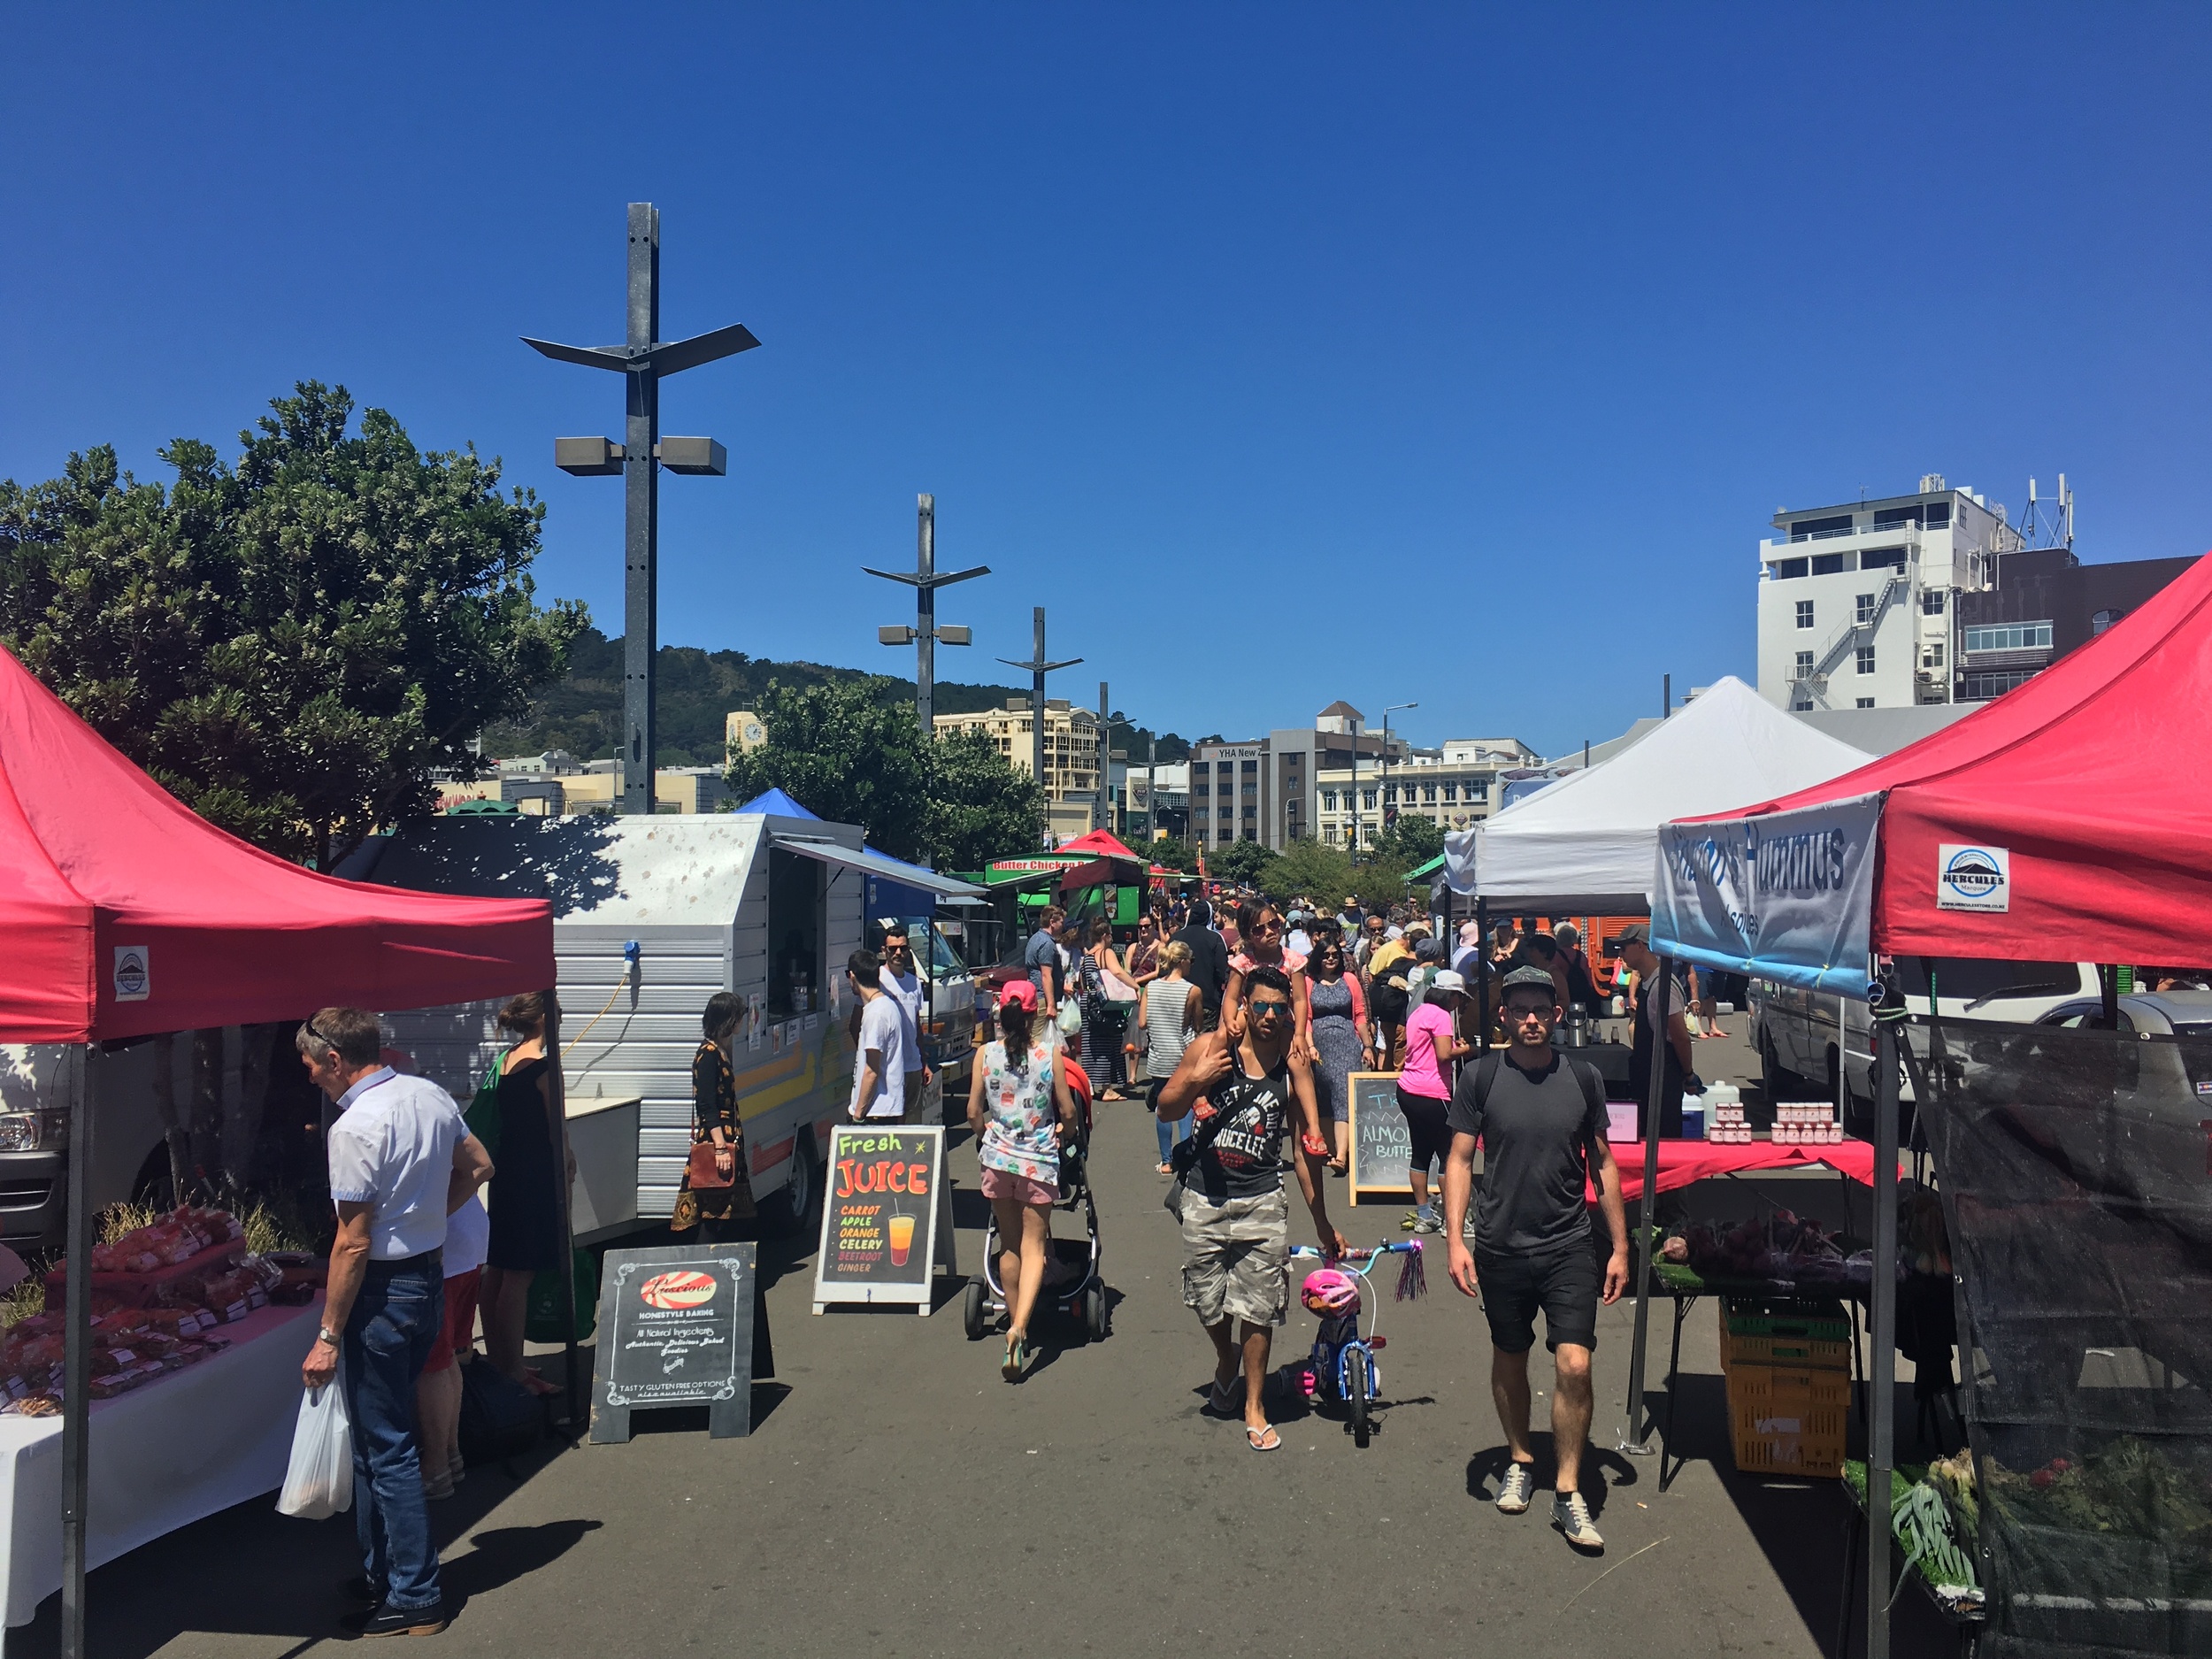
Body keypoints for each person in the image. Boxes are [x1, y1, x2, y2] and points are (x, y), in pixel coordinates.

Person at [300, 1006, 495, 1639]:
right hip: (425, 1277)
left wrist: (328, 1333)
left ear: (335, 1059)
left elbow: (352, 1242)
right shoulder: (428, 1093)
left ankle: (415, 1590)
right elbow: (480, 1164)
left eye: (310, 1063)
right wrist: (430, 1222)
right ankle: (386, 1570)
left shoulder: (354, 1126)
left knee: (387, 1446)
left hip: (384, 1290)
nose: (308, 1076)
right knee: (374, 1439)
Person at [1441, 966, 1631, 1555]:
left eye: (1540, 1010)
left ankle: (1569, 1489)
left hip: (1569, 1242)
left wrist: (1621, 1245)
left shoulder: (1582, 1075)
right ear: (1502, 1015)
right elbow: (1458, 1158)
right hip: (1500, 1244)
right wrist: (1454, 1239)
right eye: (1519, 1009)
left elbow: (1603, 1162)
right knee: (1510, 1356)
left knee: (1575, 1364)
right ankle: (1521, 1456)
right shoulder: (1480, 1076)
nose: (1530, 1019)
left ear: (1555, 1014)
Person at [1157, 965, 1345, 1451]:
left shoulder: (1291, 1060)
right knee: (1206, 1301)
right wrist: (1197, 1077)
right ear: (1244, 1006)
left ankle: (1254, 1403)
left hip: (1263, 1197)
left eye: (1278, 1008)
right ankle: (1226, 1358)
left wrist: (1322, 1221)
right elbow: (1166, 1108)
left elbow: (1304, 1151)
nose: (1267, 1015)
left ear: (1289, 1013)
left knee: (1260, 1308)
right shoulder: (1211, 1049)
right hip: (1205, 1195)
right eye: (1258, 1005)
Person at [967, 981, 1080, 1381]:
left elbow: (972, 1111)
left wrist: (987, 1135)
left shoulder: (985, 1054)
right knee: (1035, 1247)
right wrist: (1066, 1133)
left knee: (1009, 1245)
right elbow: (1067, 1111)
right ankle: (1019, 1327)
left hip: (997, 1160)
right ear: (1033, 1016)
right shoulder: (1049, 1055)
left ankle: (1018, 1322)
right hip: (1037, 1162)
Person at [479, 993, 569, 1397]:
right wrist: (568, 1163)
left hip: (505, 1170)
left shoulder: (506, 1059)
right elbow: (556, 1128)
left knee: (497, 1268)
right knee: (520, 1275)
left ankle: (502, 1359)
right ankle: (514, 1370)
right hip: (534, 1173)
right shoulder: (545, 1067)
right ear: (545, 1020)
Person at [413, 1174, 488, 1504]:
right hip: (464, 1239)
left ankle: (436, 1465)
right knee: (447, 1358)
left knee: (433, 1363)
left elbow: (481, 1166)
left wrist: (433, 1215)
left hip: (444, 1247)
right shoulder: (446, 1119)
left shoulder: (427, 1120)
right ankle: (449, 1453)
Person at [672, 991, 757, 1240]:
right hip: (717, 1141)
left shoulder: (719, 1050)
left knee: (730, 1214)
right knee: (714, 1211)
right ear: (728, 1021)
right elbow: (706, 1105)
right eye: (738, 1017)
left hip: (729, 1139)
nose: (741, 1022)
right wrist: (720, 1147)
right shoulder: (708, 1055)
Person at [1395, 967, 1471, 1232]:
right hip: (1432, 1092)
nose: (1459, 1002)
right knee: (1448, 1156)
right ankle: (1453, 1218)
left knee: (1420, 1154)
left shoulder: (1418, 1012)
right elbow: (1443, 1054)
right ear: (1451, 996)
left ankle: (1424, 1214)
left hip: (1408, 1089)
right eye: (1459, 997)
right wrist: (1463, 1049)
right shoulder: (1441, 1016)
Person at [1616, 925, 1694, 1138]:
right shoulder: (1649, 982)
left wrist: (1688, 1074)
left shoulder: (1661, 987)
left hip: (1662, 1084)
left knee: (1663, 1140)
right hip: (1649, 1082)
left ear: (1640, 946)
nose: (1620, 954)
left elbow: (1680, 1037)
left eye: (1623, 948)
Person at [1305, 936, 1373, 1175]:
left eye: (1335, 954)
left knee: (1344, 1097)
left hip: (1347, 1044)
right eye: (1326, 955)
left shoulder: (1350, 980)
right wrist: (1310, 1045)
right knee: (1323, 1097)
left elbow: (1360, 1014)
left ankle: (1342, 1155)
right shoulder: (1309, 982)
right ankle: (1331, 1150)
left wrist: (1367, 1045)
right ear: (1318, 958)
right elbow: (1306, 1018)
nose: (1331, 958)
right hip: (1319, 1047)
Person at [1140, 941, 1202, 1174]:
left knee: (1162, 1109)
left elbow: (1142, 1022)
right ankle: (1185, 1158)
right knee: (1185, 1108)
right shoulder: (1192, 990)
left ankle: (1166, 1161)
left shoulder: (1151, 988)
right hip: (1183, 1056)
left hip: (1159, 1057)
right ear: (1183, 961)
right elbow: (1197, 1024)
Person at [1222, 902, 1310, 1055]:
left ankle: (1300, 1078)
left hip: (1281, 1015)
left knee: (1297, 1056)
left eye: (1274, 924)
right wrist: (1229, 1021)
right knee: (1222, 1036)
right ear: (1247, 935)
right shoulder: (1243, 961)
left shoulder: (1293, 960)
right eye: (1258, 930)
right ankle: (1211, 1064)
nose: (1269, 932)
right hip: (1249, 1013)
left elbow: (1300, 999)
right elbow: (1231, 997)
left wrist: (1300, 1034)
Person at [878, 924, 936, 1115]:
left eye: (903, 948)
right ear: (884, 950)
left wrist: (923, 1062)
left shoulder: (914, 982)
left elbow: (916, 1026)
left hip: (912, 1065)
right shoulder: (877, 980)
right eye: (893, 949)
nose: (898, 953)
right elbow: (858, 1023)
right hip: (886, 1066)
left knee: (910, 1121)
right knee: (888, 1120)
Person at [847, 949, 909, 1122]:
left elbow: (872, 1070)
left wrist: (858, 1114)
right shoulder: (886, 1006)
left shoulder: (876, 1013)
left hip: (877, 1111)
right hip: (884, 1109)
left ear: (853, 976)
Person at [1170, 898, 1232, 1031]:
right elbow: (1223, 972)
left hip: (1176, 1001)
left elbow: (1164, 968)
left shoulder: (1175, 937)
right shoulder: (1215, 938)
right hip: (1206, 1003)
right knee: (1203, 1046)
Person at [1025, 904, 1066, 1017]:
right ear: (1052, 922)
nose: (1063, 926)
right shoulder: (1047, 944)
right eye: (1061, 922)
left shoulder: (1035, 938)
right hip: (1043, 999)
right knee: (1041, 1033)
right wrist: (1051, 1006)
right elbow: (1046, 975)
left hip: (1035, 995)